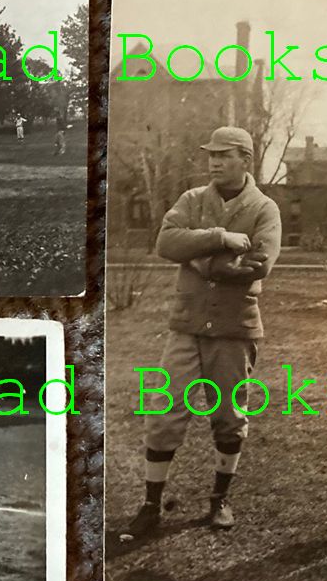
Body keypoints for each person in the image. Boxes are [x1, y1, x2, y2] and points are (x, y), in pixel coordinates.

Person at [121, 126, 282, 539]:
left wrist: (199, 262)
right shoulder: (192, 200)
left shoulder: (264, 209)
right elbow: (166, 243)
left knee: (229, 417)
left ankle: (220, 499)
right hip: (187, 325)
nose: (214, 161)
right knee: (163, 410)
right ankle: (151, 505)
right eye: (211, 154)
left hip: (234, 328)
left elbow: (256, 266)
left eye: (224, 155)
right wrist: (218, 238)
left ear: (246, 160)